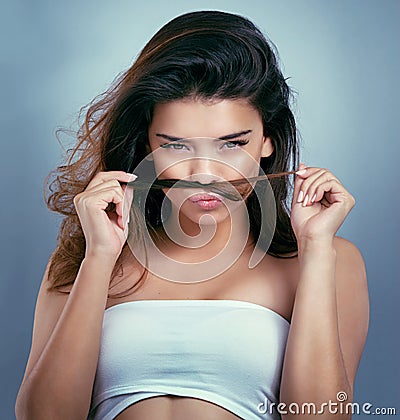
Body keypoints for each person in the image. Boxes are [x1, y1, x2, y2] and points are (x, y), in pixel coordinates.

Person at [15, 10, 369, 420]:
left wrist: (315, 249)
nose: (205, 173)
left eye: (231, 144)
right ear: (146, 144)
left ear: (268, 139)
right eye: (177, 145)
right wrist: (99, 257)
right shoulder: (85, 256)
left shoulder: (329, 259)